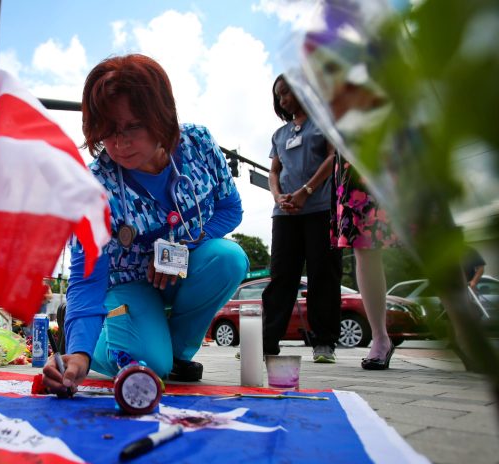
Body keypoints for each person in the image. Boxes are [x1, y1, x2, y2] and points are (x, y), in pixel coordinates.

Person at [42, 54, 249, 396]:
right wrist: (78, 356)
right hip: (126, 286)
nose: (119, 144)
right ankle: (97, 341)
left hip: (183, 271)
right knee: (149, 365)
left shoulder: (199, 144)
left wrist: (178, 253)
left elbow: (230, 210)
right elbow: (87, 277)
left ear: (161, 116)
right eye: (107, 131)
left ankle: (177, 353)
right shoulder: (93, 187)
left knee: (228, 258)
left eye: (132, 126)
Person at [262, 74, 342, 363]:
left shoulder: (323, 123)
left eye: (286, 92)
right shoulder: (280, 134)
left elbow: (333, 157)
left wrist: (306, 191)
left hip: (319, 209)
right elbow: (273, 172)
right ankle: (267, 340)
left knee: (323, 274)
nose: (282, 99)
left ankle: (324, 343)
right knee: (282, 276)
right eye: (278, 96)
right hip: (285, 214)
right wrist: (278, 196)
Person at [331, 156, 398, 369]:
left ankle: (464, 330)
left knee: (430, 235)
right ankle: (380, 338)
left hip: (404, 144)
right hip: (355, 158)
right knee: (364, 242)